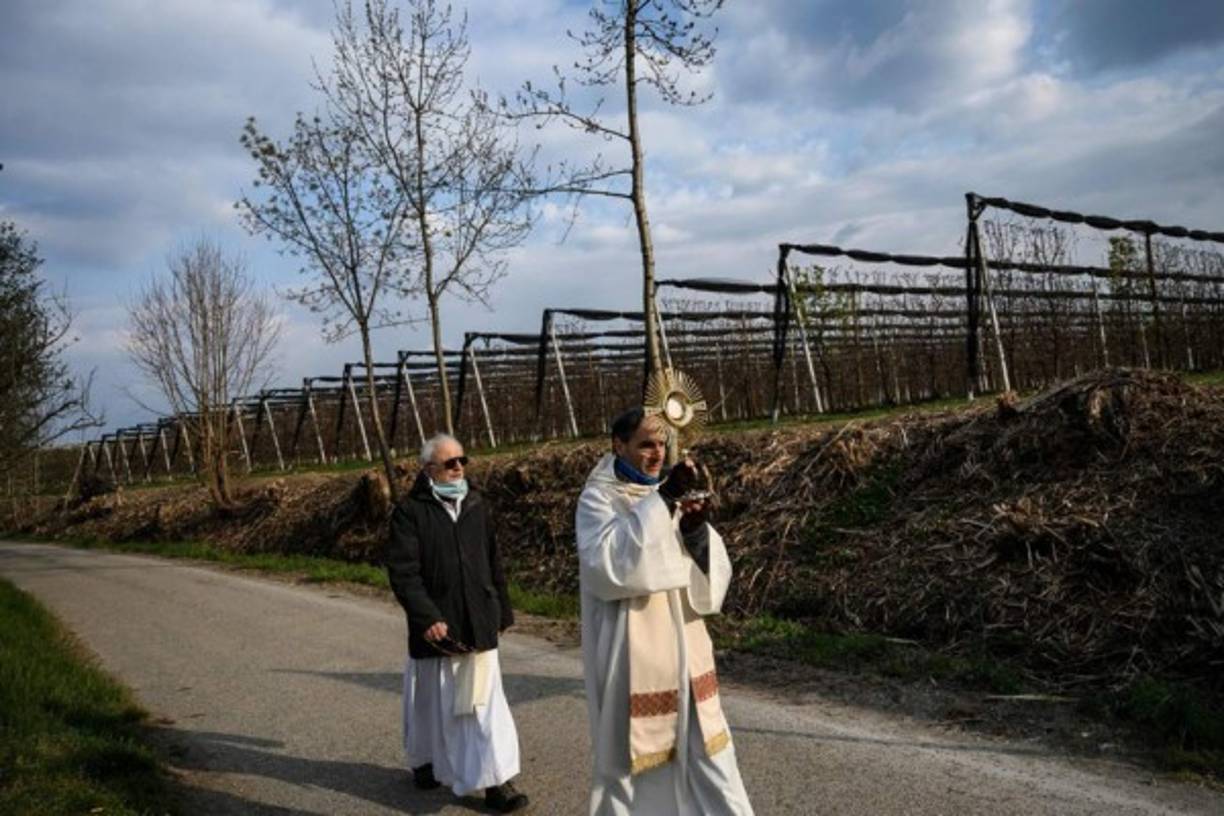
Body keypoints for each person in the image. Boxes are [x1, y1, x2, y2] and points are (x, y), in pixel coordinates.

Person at [575, 408, 754, 815]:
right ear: (619, 445)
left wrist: (695, 533)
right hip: (632, 655)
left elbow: (707, 576)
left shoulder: (667, 492)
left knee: (714, 758)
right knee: (634, 769)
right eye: (646, 445)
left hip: (687, 649)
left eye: (661, 444)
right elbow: (610, 568)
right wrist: (662, 501)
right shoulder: (598, 499)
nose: (657, 453)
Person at [387, 433, 529, 813]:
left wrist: (502, 609)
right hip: (437, 626)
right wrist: (426, 617)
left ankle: (496, 782)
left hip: (478, 620)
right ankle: (424, 760)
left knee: (483, 705)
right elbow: (403, 573)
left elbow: (493, 560)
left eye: (462, 460)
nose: (459, 468)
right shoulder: (409, 513)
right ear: (429, 469)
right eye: (450, 463)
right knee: (429, 703)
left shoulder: (477, 505)